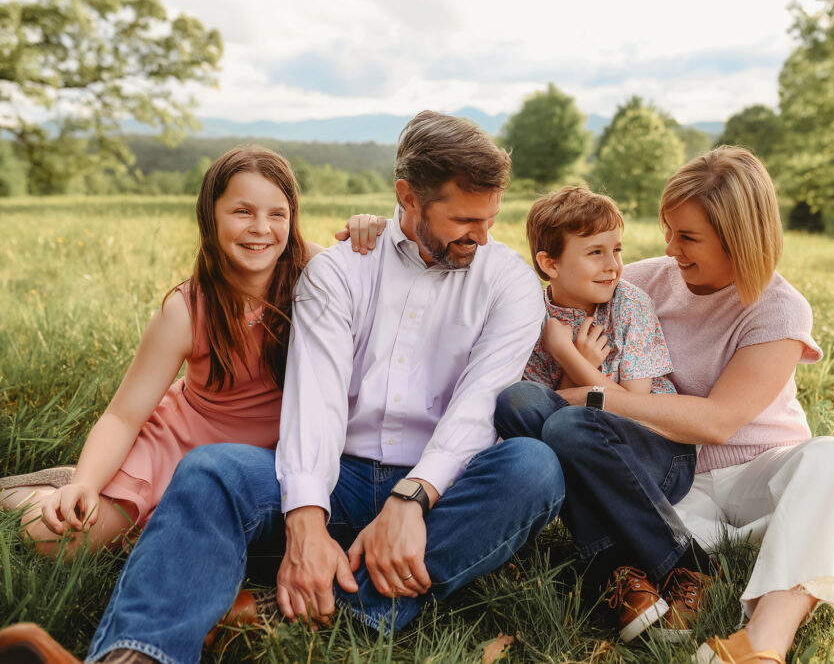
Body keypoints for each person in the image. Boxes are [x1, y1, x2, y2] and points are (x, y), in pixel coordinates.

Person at [0, 111, 565, 664]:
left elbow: (476, 406)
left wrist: (411, 500)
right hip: (336, 474)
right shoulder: (343, 270)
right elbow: (313, 399)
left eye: (490, 218)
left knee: (534, 468)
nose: (483, 236)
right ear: (408, 197)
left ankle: (300, 603)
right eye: (465, 220)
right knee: (209, 470)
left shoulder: (508, 280)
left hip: (446, 489)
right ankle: (137, 656)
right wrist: (306, 521)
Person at [545, 147, 834, 662]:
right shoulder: (642, 281)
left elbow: (720, 422)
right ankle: (830, 537)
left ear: (739, 239)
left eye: (689, 237)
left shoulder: (778, 309)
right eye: (669, 230)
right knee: (636, 528)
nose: (672, 248)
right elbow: (558, 290)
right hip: (671, 480)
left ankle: (762, 643)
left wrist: (602, 396)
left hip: (759, 475)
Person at [0, 146, 317, 556]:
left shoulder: (314, 274)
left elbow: (382, 265)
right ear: (210, 216)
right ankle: (37, 493)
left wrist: (369, 228)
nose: (261, 228)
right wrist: (85, 485)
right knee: (59, 542)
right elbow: (123, 414)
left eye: (277, 214)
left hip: (264, 461)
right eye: (242, 212)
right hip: (178, 447)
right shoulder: (185, 310)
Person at [493, 185, 713, 644]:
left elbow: (630, 403)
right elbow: (538, 407)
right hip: (584, 452)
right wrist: (564, 364)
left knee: (568, 422)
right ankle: (623, 570)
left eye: (617, 249)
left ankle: (683, 564)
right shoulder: (534, 316)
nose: (613, 264)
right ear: (549, 264)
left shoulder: (627, 303)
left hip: (658, 454)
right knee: (516, 402)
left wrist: (569, 357)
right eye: (595, 252)